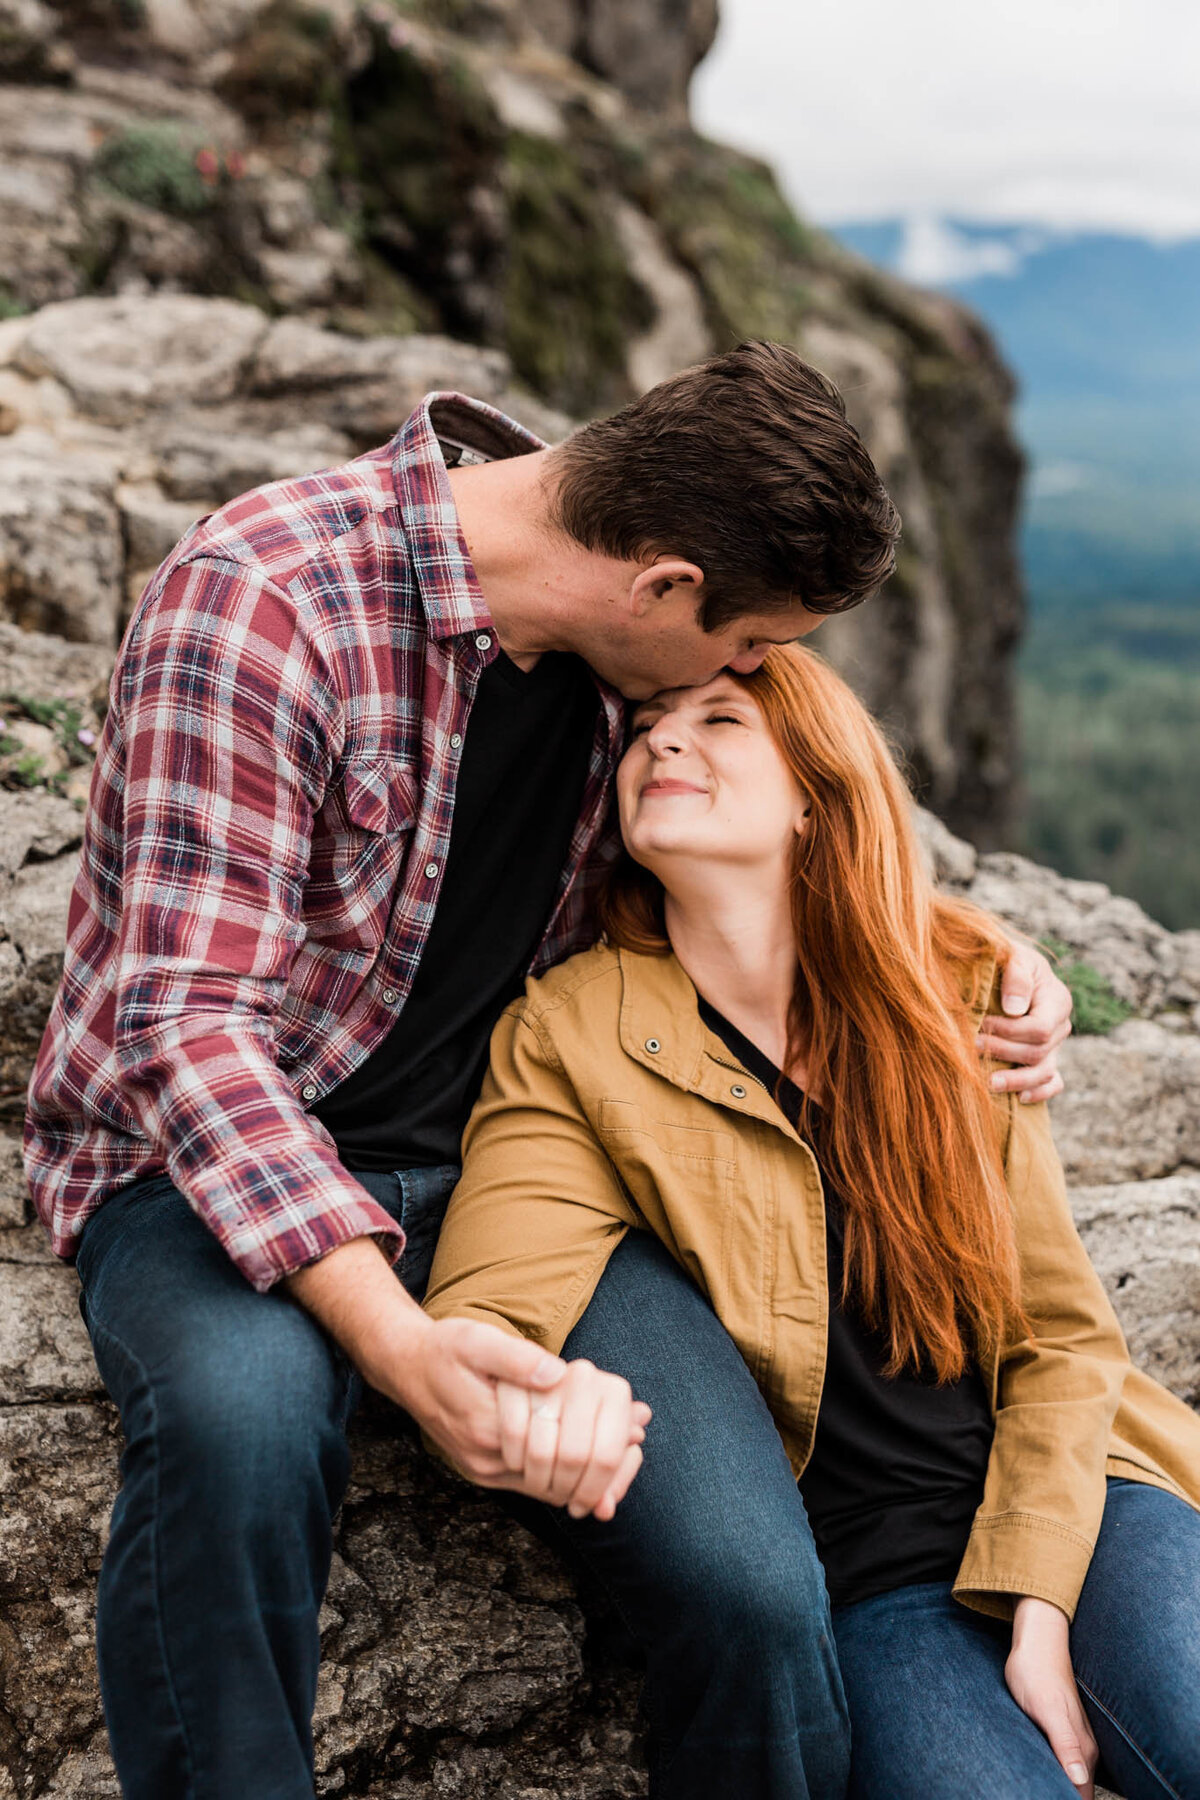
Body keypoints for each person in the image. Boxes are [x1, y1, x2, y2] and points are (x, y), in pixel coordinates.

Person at [25, 342, 1072, 1798]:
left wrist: (968, 943)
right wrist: (399, 1343)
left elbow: (775, 832)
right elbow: (189, 1027)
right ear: (661, 586)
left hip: (518, 1169)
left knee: (758, 1591)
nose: (750, 678)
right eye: (750, 644)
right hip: (198, 1165)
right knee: (242, 1431)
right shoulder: (268, 594)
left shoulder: (613, 668)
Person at [423, 644, 1200, 1800]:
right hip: (871, 1589)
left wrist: (1042, 1605)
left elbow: (1061, 1339)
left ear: (811, 798)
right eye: (646, 729)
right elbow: (489, 1294)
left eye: (721, 720)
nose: (663, 742)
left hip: (1085, 1504)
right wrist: (530, 1395)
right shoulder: (572, 1033)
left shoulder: (959, 994)